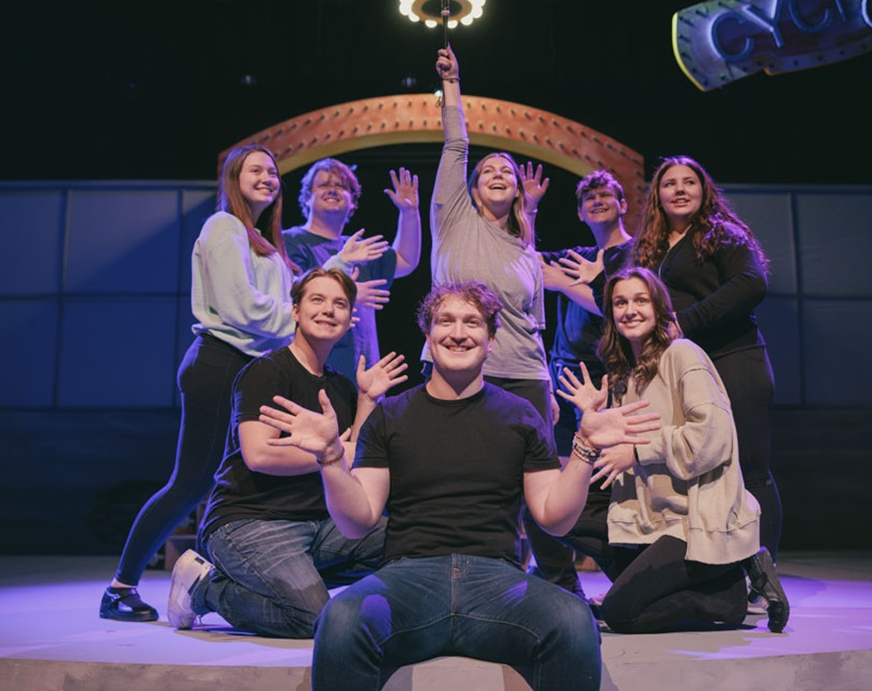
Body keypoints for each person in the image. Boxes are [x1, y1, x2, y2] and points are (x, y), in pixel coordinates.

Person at [257, 281, 660, 690]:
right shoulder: (389, 416)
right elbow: (356, 521)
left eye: (472, 322)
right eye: (445, 321)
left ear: (491, 339)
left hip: (498, 582)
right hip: (408, 579)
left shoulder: (521, 416)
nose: (458, 332)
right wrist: (330, 456)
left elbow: (555, 519)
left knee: (574, 620)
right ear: (428, 335)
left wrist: (585, 447)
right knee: (340, 619)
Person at [99, 143, 300, 622]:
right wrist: (296, 317)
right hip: (220, 361)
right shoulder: (223, 227)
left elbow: (279, 303)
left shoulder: (260, 239)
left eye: (273, 172)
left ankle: (225, 582)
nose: (268, 178)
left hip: (248, 367)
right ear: (233, 178)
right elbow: (241, 307)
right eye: (256, 170)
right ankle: (120, 587)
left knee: (236, 483)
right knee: (191, 483)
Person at [164, 267, 408, 637]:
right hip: (250, 521)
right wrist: (329, 453)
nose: (328, 310)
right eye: (317, 300)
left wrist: (367, 400)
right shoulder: (266, 371)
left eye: (340, 304)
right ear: (295, 310)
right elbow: (259, 455)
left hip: (319, 524)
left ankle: (293, 587)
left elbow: (352, 466)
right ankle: (205, 588)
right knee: (311, 619)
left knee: (405, 543)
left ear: (349, 320)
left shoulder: (341, 387)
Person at [558, 267, 790, 634]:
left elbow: (713, 436)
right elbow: (620, 448)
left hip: (692, 518)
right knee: (561, 516)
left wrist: (638, 453)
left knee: (621, 615)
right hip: (652, 514)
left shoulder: (682, 354)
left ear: (659, 308)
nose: (629, 310)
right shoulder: (625, 373)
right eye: (620, 302)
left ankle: (726, 596)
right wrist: (592, 418)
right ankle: (656, 586)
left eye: (640, 300)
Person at [428, 45, 573, 592]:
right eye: (487, 170)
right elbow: (456, 144)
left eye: (506, 172)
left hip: (526, 374)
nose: (496, 173)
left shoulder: (526, 251)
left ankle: (559, 581)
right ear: (470, 187)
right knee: (463, 474)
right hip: (461, 371)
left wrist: (548, 387)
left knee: (541, 481)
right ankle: (464, 576)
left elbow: (536, 326)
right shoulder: (454, 218)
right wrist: (453, 83)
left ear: (517, 191)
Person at [628, 156, 784, 571]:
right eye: (669, 183)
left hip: (735, 359)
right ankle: (717, 573)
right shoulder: (652, 248)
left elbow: (752, 283)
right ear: (657, 196)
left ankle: (761, 575)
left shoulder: (722, 234)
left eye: (689, 182)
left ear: (704, 190)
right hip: (689, 371)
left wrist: (686, 321)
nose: (680, 189)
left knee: (750, 469)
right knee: (700, 471)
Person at [524, 168, 636, 588]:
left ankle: (628, 578)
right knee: (550, 488)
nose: (597, 201)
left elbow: (623, 308)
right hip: (565, 384)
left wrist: (565, 285)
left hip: (609, 385)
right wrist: (529, 209)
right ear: (580, 213)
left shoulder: (635, 254)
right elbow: (526, 259)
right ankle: (559, 581)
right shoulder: (578, 256)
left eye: (605, 194)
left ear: (623, 204)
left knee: (602, 491)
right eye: (589, 198)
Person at [284, 158, 422, 382]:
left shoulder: (358, 248)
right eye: (324, 185)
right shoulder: (291, 241)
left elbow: (405, 260)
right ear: (307, 197)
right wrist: (349, 294)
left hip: (363, 371)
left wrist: (409, 212)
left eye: (340, 186)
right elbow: (292, 293)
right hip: (316, 369)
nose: (332, 189)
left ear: (353, 202)